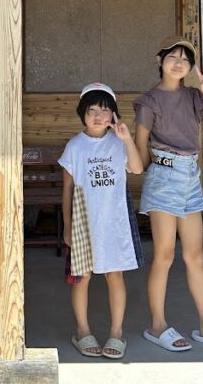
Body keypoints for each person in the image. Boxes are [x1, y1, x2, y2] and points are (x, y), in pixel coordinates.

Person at [135, 36, 203, 353]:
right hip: (163, 177)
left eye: (185, 59)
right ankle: (157, 325)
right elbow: (141, 154)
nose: (179, 62)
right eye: (173, 56)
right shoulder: (148, 101)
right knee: (165, 255)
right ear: (159, 60)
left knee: (195, 256)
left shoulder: (195, 96)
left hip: (191, 178)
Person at [60, 82, 144, 359]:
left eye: (105, 111)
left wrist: (127, 138)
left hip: (114, 220)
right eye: (92, 110)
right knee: (81, 278)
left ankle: (116, 332)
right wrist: (68, 227)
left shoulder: (118, 143)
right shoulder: (75, 146)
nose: (98, 116)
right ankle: (82, 331)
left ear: (114, 115)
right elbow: (68, 190)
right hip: (84, 221)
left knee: (114, 275)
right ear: (82, 113)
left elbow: (136, 168)